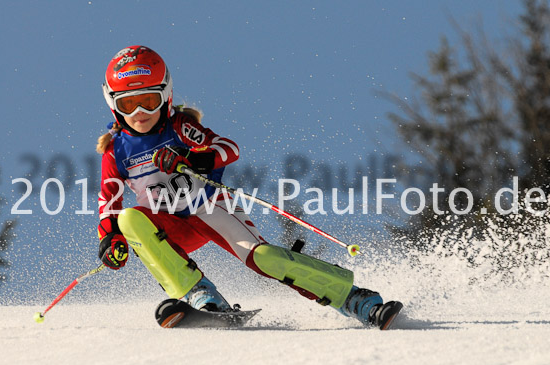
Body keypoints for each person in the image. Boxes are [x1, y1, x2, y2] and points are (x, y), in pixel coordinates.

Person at [96, 45, 403, 330]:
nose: (139, 113)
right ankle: (200, 295)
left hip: (209, 206)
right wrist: (109, 240)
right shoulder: (117, 151)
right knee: (128, 220)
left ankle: (355, 299)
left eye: (148, 102)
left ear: (166, 96)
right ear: (114, 106)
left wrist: (195, 157)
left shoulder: (179, 128)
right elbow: (108, 201)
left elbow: (228, 148)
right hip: (168, 225)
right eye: (129, 104)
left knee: (263, 258)